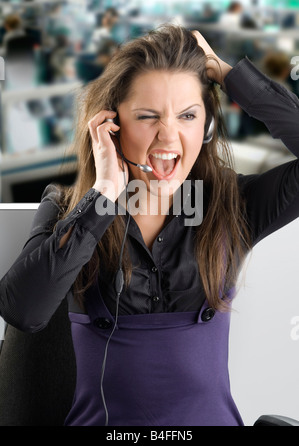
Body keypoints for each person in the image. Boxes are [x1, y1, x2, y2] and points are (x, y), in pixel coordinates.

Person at [0, 24, 299, 426]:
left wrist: (229, 76)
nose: (169, 135)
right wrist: (103, 196)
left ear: (207, 126)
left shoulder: (233, 205)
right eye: (147, 116)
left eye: (188, 115)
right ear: (111, 124)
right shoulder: (66, 207)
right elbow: (24, 311)